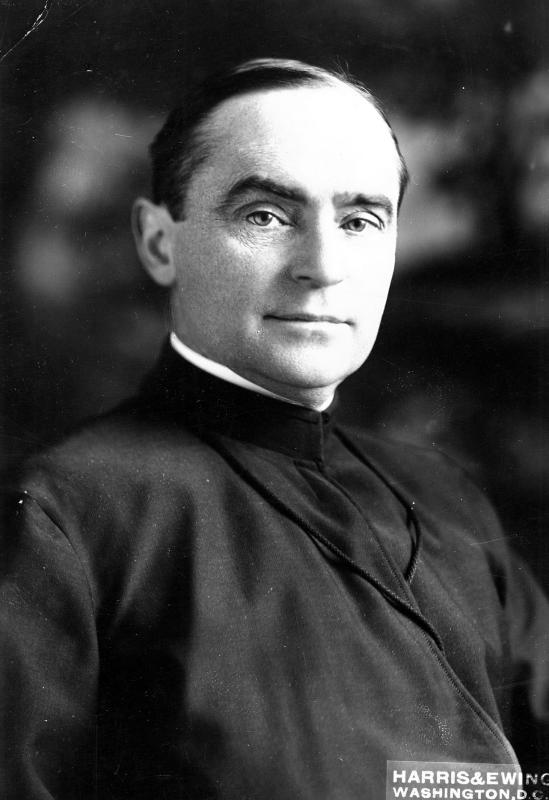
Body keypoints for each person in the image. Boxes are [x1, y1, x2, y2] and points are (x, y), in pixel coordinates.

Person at [1, 58, 548, 800]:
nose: (322, 266)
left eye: (359, 220)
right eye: (265, 215)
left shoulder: (446, 499)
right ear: (160, 242)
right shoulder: (62, 512)